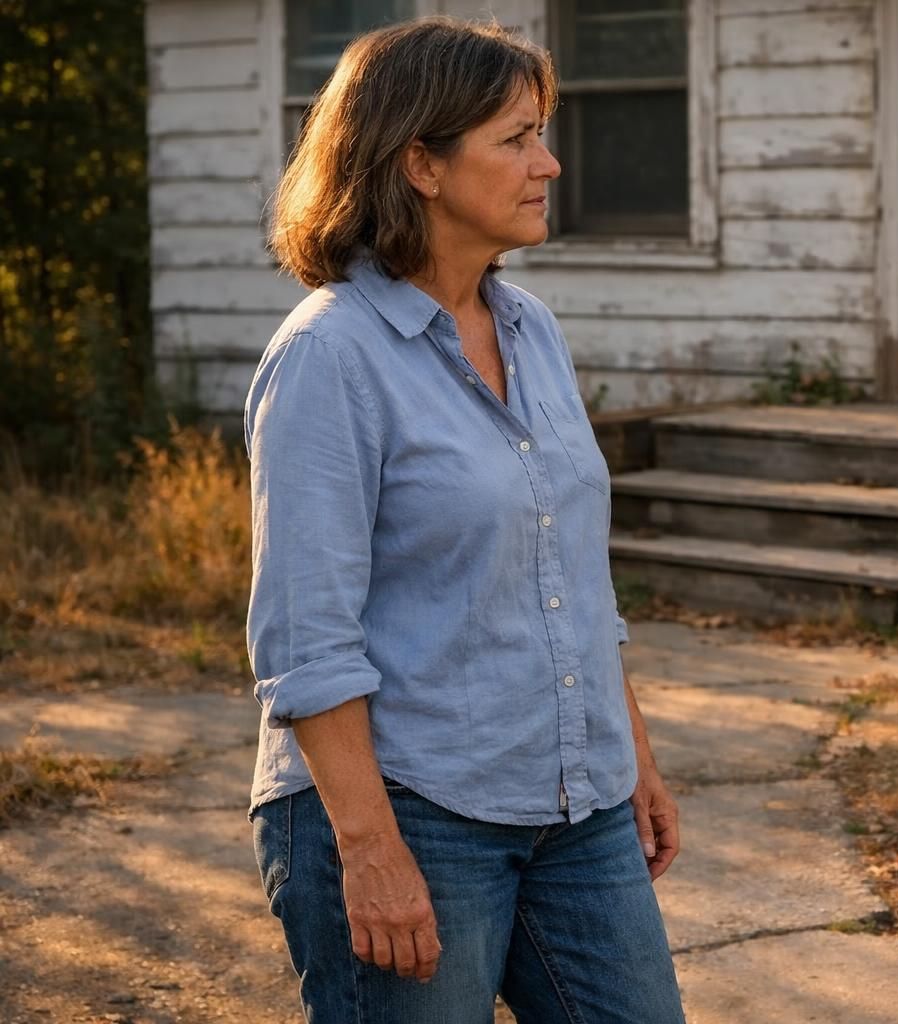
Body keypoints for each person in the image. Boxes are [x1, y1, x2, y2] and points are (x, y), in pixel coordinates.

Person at [244, 17, 685, 1023]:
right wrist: (371, 851)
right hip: (408, 809)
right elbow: (306, 642)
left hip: (576, 808)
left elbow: (570, 574)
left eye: (544, 133)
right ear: (421, 164)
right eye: (517, 138)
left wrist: (634, 761)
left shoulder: (534, 330)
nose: (550, 162)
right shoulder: (331, 357)